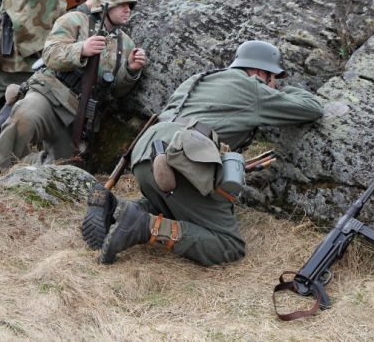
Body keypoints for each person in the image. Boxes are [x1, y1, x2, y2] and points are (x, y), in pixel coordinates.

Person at [89, 40, 324, 265]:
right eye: (274, 78)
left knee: (175, 206)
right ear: (261, 72)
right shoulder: (252, 87)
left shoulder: (198, 78)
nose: (274, 86)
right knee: (228, 244)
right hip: (182, 157)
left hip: (145, 151)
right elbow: (311, 108)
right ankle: (143, 226)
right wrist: (287, 89)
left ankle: (113, 209)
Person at [0, 0, 147, 173]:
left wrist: (130, 70)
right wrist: (81, 49)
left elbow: (116, 90)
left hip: (78, 113)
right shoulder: (74, 21)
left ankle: (25, 166)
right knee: (25, 118)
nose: (127, 10)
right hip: (50, 94)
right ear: (105, 5)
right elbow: (50, 54)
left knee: (64, 167)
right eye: (122, 4)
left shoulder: (126, 44)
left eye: (130, 5)